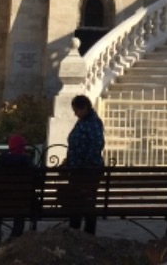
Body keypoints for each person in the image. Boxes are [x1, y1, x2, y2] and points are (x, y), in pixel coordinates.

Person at [63, 95, 104, 234]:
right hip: (78, 169)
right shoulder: (83, 121)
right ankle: (75, 229)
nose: (75, 113)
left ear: (84, 108)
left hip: (87, 171)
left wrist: (83, 163)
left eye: (76, 110)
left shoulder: (92, 123)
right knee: (78, 202)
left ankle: (85, 232)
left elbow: (96, 145)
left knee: (85, 202)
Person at [0, 133, 33, 245]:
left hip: (0, 203)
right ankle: (15, 239)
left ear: (10, 146)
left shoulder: (1, 162)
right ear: (23, 147)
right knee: (21, 209)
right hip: (22, 204)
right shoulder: (27, 163)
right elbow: (38, 181)